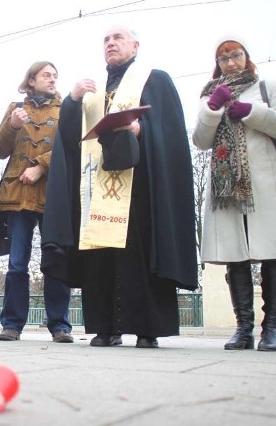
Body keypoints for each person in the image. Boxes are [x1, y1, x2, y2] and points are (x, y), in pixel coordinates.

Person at [41, 25, 198, 349]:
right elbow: (70, 141)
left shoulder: (155, 79)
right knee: (100, 257)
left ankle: (147, 328)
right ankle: (105, 327)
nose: (111, 43)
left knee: (139, 255)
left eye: (118, 38)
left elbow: (170, 134)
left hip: (141, 186)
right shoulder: (93, 90)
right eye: (106, 39)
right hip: (97, 185)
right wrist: (71, 100)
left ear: (135, 46)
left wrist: (141, 130)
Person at [192, 36, 276, 352]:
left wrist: (251, 111)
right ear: (218, 64)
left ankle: (272, 329)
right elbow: (200, 140)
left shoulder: (268, 88)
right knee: (235, 258)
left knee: (272, 255)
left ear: (246, 56)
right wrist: (213, 109)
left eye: (236, 55)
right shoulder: (211, 94)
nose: (230, 62)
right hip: (226, 188)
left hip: (266, 184)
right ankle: (243, 329)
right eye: (223, 58)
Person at [0, 61, 73, 343]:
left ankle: (60, 325)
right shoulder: (16, 107)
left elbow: (71, 147)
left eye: (55, 75)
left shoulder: (66, 110)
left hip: (54, 195)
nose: (52, 79)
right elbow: (0, 150)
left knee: (56, 260)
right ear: (31, 80)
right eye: (46, 75)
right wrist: (13, 126)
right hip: (17, 195)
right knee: (17, 263)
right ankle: (12, 324)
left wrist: (41, 165)